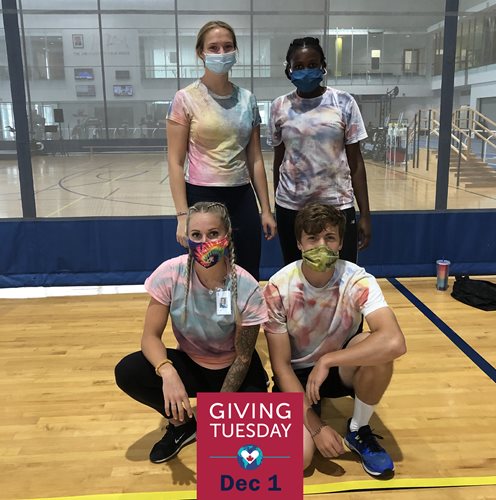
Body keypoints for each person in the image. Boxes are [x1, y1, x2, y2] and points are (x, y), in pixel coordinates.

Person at [115, 201, 269, 464]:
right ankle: (182, 425)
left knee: (248, 452)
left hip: (235, 369)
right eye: (196, 235)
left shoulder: (246, 286)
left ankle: (222, 416)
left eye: (213, 234)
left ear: (227, 236)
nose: (204, 242)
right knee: (128, 371)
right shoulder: (170, 273)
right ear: (187, 237)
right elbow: (150, 337)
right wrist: (167, 370)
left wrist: (219, 412)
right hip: (191, 365)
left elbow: (243, 358)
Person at [263, 203, 406, 477]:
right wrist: (316, 428)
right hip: (297, 376)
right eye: (312, 238)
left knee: (378, 348)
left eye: (329, 238)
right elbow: (280, 367)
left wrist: (328, 360)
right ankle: (310, 417)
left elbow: (394, 342)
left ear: (340, 242)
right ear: (299, 244)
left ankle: (358, 429)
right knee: (300, 460)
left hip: (340, 367)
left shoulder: (357, 279)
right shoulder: (278, 287)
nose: (322, 246)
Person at [167, 20, 276, 281]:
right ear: (200, 53)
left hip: (242, 197)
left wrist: (266, 209)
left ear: (235, 51)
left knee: (247, 273)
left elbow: (255, 158)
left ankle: (245, 323)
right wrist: (183, 215)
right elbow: (174, 160)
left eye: (227, 47)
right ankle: (211, 321)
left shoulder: (247, 99)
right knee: (209, 272)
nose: (221, 52)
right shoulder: (185, 99)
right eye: (213, 47)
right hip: (202, 197)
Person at [268, 37, 371, 266]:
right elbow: (279, 160)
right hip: (291, 208)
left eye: (313, 65)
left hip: (337, 205)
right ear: (289, 70)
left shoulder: (343, 102)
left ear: (323, 66)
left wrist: (365, 213)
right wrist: (277, 204)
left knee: (341, 275)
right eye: (299, 66)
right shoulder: (279, 106)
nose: (306, 71)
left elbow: (356, 163)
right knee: (297, 275)